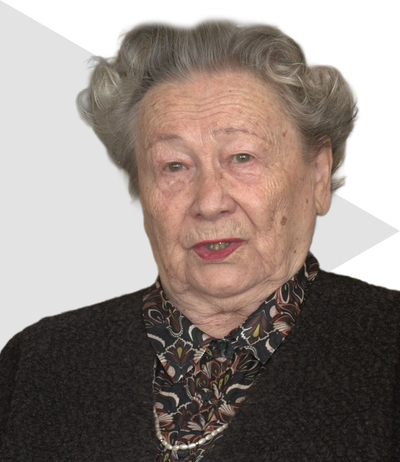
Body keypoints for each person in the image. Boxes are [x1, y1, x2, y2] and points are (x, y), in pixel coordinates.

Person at [0, 20, 399, 462]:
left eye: (242, 157)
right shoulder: (39, 364)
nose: (209, 202)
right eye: (174, 166)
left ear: (318, 175)